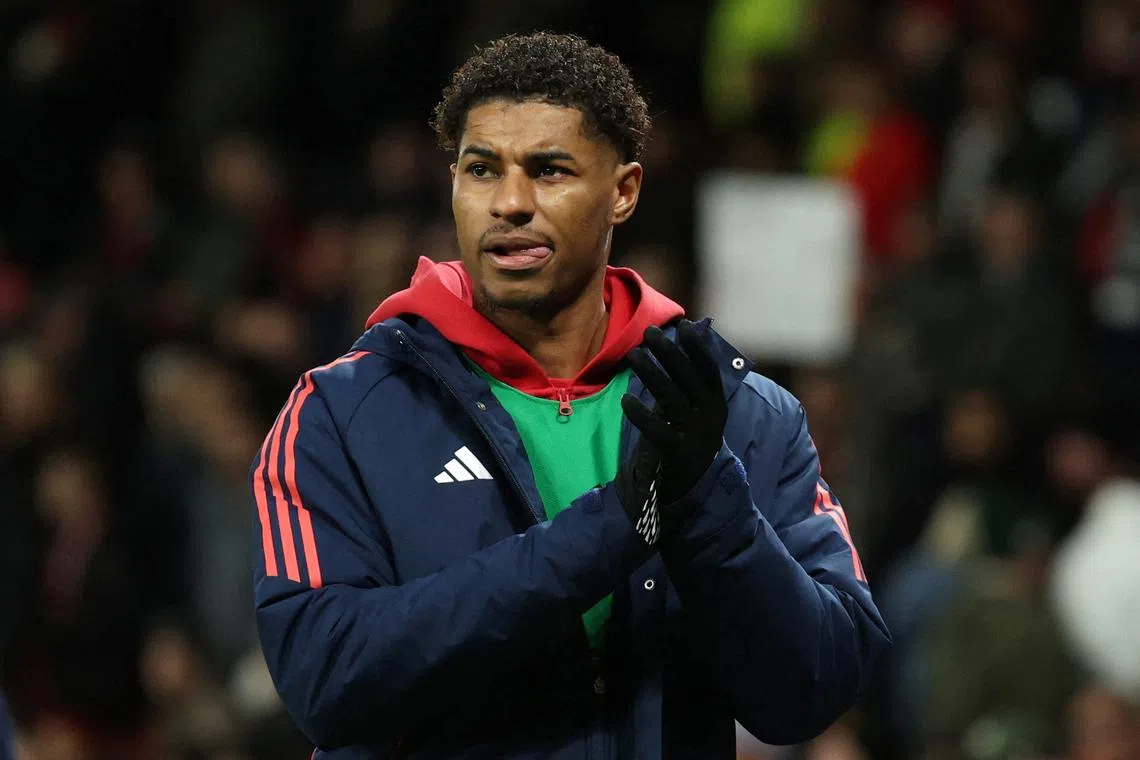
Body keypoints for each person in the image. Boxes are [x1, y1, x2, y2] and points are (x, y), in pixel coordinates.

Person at [251, 32, 889, 759]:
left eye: (549, 171)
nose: (511, 203)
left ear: (623, 192)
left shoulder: (740, 412)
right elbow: (326, 681)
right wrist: (611, 529)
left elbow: (820, 684)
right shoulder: (339, 415)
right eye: (481, 170)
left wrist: (709, 502)